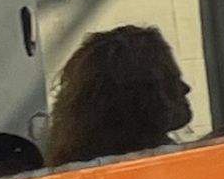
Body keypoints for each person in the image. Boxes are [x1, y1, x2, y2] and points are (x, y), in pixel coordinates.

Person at [43, 23, 192, 166]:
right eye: (171, 80)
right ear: (140, 97)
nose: (186, 88)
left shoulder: (80, 168)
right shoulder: (150, 169)